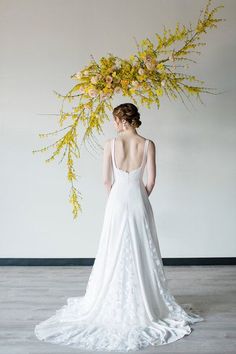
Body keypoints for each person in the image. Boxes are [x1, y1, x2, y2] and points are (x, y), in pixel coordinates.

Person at [34, 103, 204, 352]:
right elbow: (151, 180)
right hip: (138, 199)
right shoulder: (148, 144)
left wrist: (116, 198)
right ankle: (144, 300)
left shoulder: (110, 144)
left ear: (123, 121)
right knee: (141, 248)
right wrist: (140, 197)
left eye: (114, 120)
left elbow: (106, 180)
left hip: (116, 200)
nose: (113, 125)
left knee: (113, 248)